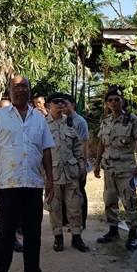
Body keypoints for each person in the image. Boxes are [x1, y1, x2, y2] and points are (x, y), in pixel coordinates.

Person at [0, 75, 56, 272]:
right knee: (5, 233)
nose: (21, 90)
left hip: (33, 183)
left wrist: (50, 180)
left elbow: (46, 150)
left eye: (24, 86)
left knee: (33, 233)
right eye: (16, 87)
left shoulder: (39, 119)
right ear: (10, 92)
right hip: (8, 184)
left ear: (30, 90)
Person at [93, 87, 137, 251]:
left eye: (117, 99)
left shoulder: (131, 119)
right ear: (107, 104)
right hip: (109, 168)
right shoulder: (106, 120)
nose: (114, 102)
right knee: (109, 200)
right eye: (110, 100)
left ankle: (133, 234)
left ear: (122, 102)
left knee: (129, 201)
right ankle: (113, 230)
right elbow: (102, 142)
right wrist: (96, 163)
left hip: (126, 168)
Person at [44, 92, 89, 252]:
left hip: (71, 173)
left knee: (74, 206)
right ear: (48, 106)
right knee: (54, 208)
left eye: (63, 102)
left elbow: (77, 147)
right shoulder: (42, 125)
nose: (60, 104)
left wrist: (82, 165)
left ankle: (77, 237)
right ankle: (58, 238)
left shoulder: (71, 124)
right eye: (56, 102)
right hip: (52, 175)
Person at [62, 93, 90, 229]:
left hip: (78, 164)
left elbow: (84, 144)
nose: (63, 107)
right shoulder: (62, 121)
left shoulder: (80, 122)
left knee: (79, 194)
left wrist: (83, 165)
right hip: (67, 165)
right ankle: (68, 221)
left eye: (66, 104)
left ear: (73, 105)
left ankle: (82, 222)